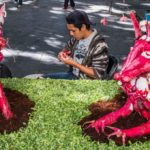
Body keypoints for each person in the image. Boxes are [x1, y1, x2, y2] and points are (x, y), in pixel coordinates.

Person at [41, 10, 109, 80]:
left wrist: (75, 64)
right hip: (73, 75)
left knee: (44, 81)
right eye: (69, 30)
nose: (71, 33)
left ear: (83, 27)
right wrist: (62, 54)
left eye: (73, 30)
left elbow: (97, 74)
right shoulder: (76, 38)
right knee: (41, 78)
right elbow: (66, 49)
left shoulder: (99, 45)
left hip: (85, 82)